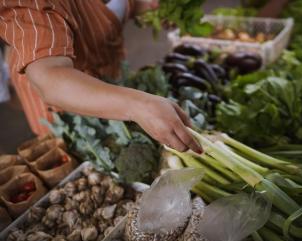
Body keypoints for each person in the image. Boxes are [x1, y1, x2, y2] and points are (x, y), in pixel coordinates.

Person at [0, 0, 202, 154]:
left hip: (111, 77)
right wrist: (140, 105)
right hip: (68, 110)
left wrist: (137, 4)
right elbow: (50, 79)